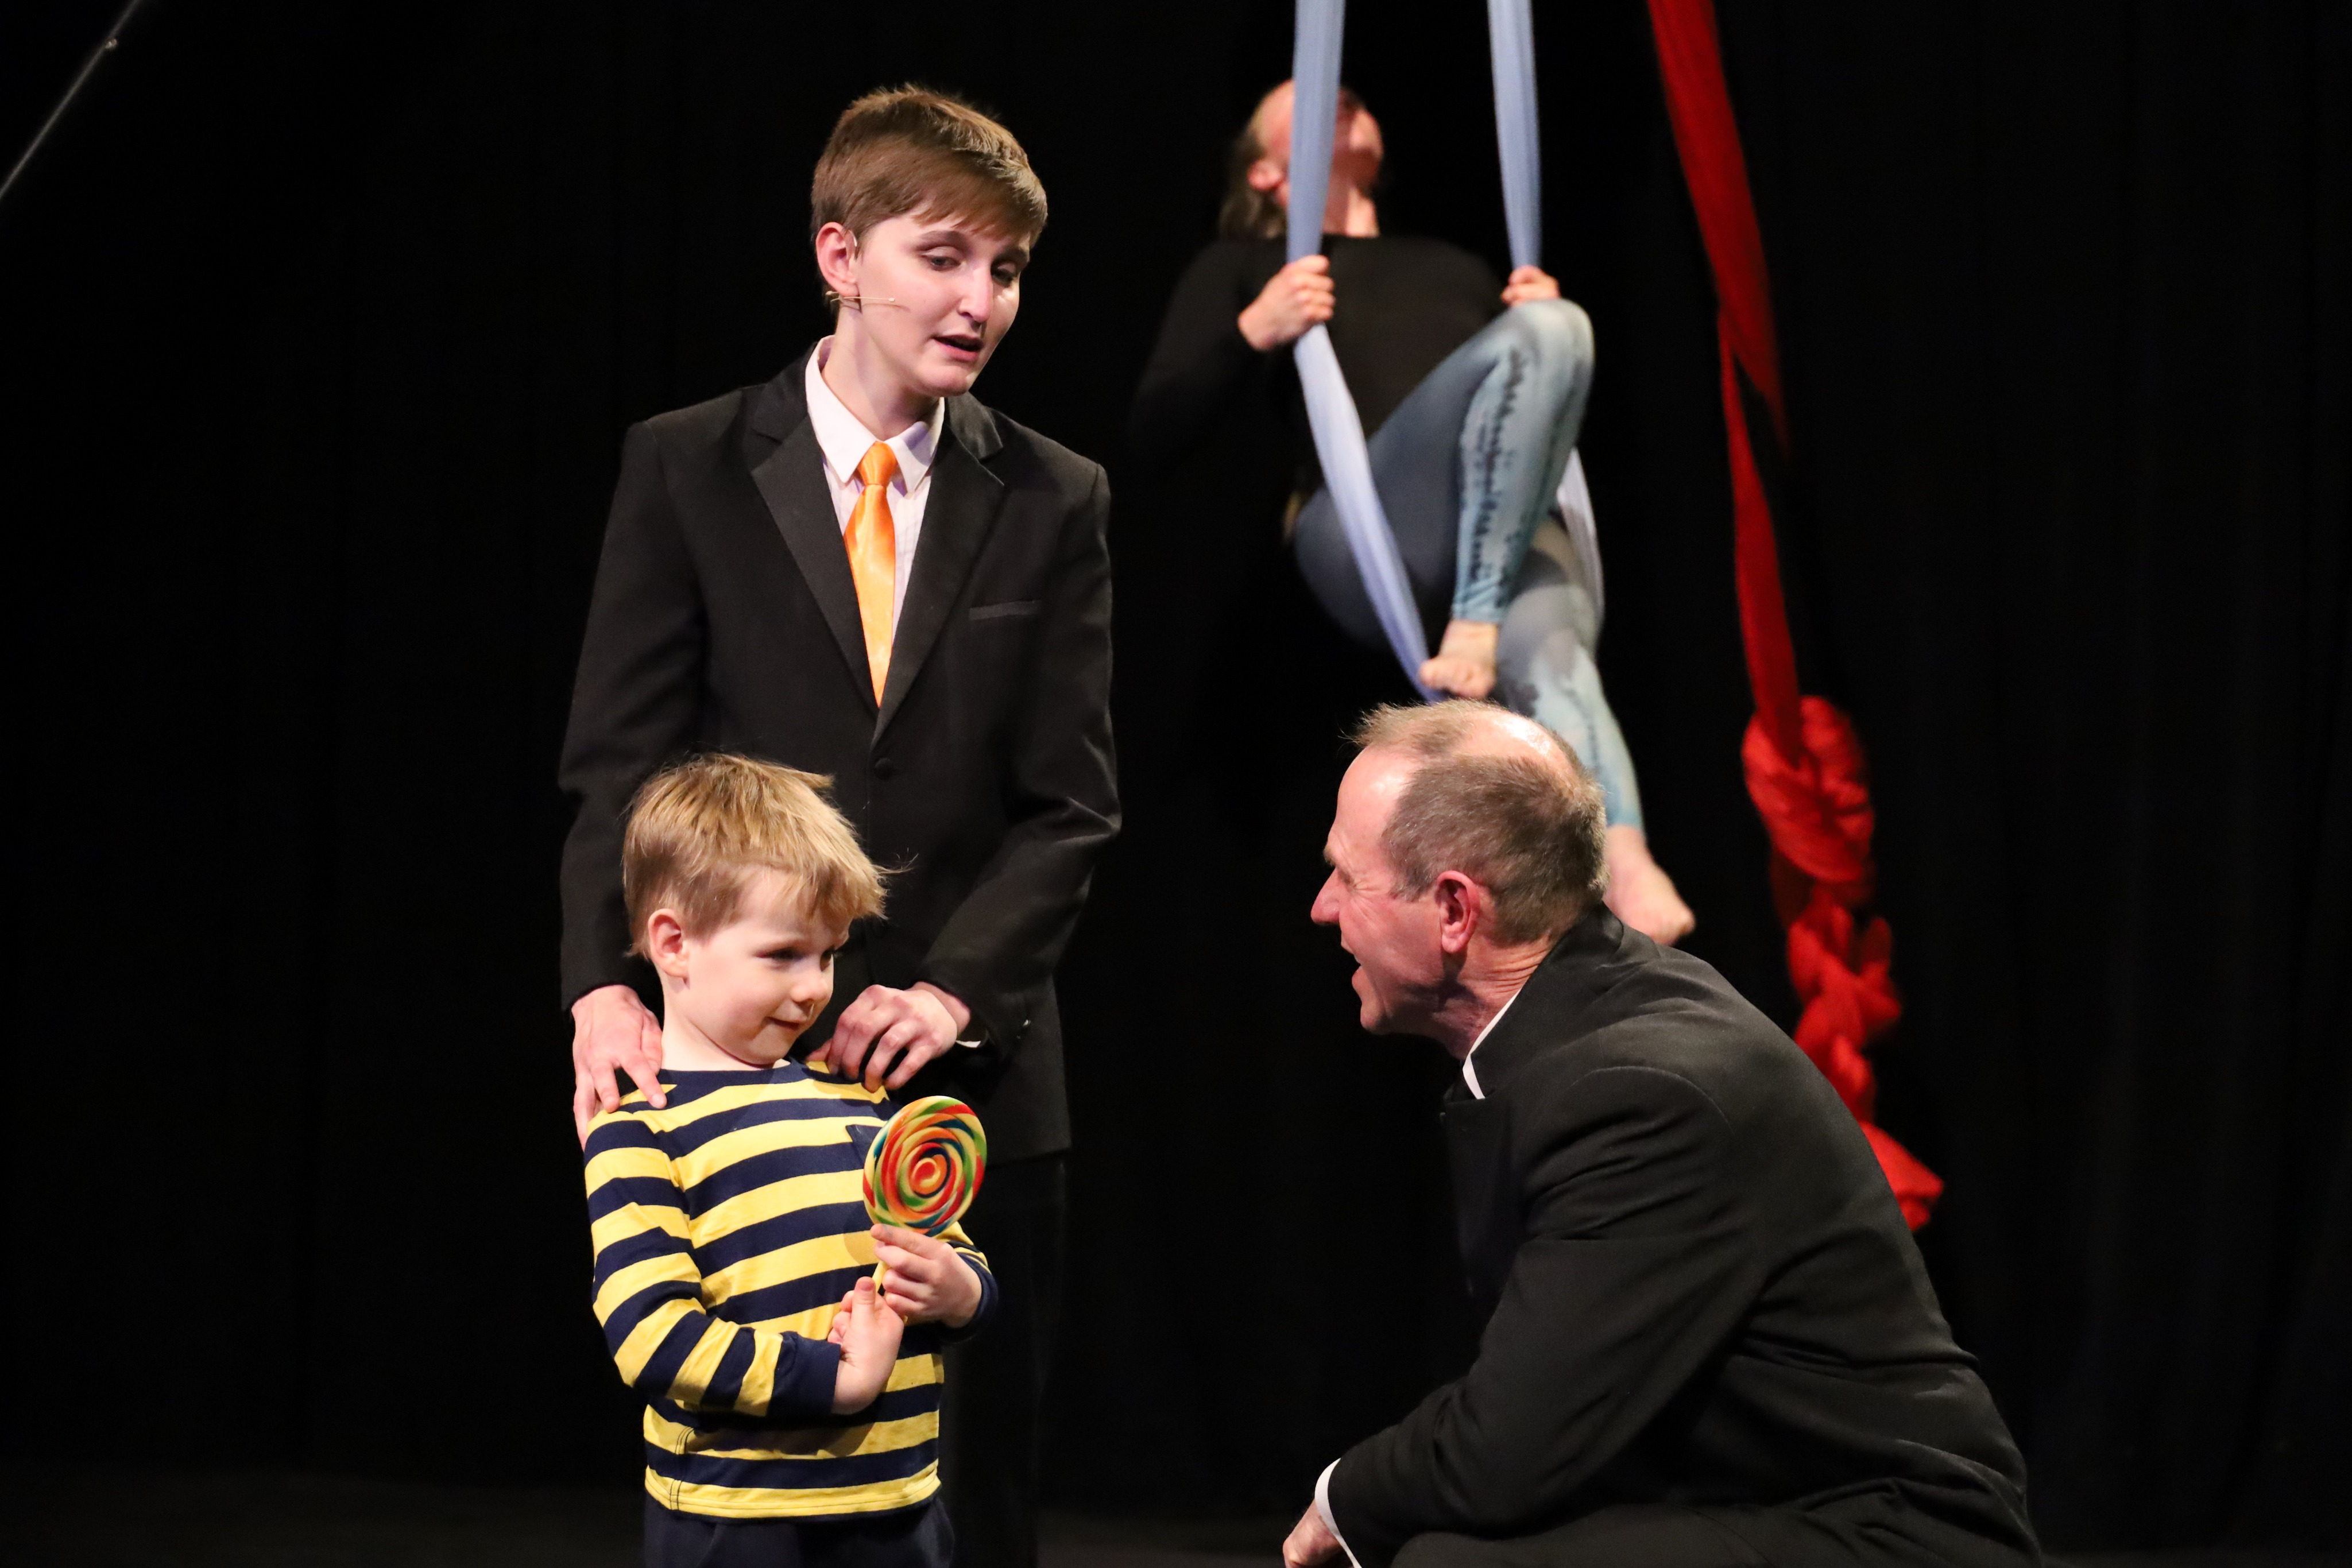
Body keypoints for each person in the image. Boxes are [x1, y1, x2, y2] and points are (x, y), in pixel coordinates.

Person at [559, 87, 1117, 1568]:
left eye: (1003, 270)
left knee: (971, 1491)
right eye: (943, 257)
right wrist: (600, 986)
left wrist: (952, 989)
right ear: (841, 254)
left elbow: (1072, 804)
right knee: (747, 1482)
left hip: (963, 1072)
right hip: (739, 1062)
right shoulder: (685, 464)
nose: (979, 300)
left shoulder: (1053, 494)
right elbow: (616, 764)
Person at [1282, 701, 2040, 1568]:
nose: (1321, 907)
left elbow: (1509, 1445)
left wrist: (1342, 1497)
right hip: (1753, 1501)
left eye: (1348, 876)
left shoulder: (1638, 1095)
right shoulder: (1584, 1026)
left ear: (1455, 909)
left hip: (1888, 1534)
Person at [1131, 81, 1693, 945]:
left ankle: (1625, 860)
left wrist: (1527, 332)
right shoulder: (1251, 265)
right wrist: (1256, 325)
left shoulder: (1453, 267)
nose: (1339, 97)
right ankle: (1476, 616)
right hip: (1364, 527)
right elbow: (1153, 432)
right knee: (1551, 336)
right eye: (1312, 93)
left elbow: (1530, 416)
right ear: (1266, 171)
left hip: (1496, 529)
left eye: (1350, 93)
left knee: (1558, 341)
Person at [586, 754, 994, 1567]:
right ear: (674, 943)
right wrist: (830, 1380)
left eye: (830, 955)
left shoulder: (860, 1100)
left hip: (898, 1506)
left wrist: (957, 1290)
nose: (815, 990)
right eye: (783, 955)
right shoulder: (642, 1129)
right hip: (739, 1519)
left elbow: (952, 1252)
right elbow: (651, 1336)